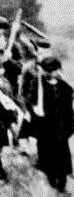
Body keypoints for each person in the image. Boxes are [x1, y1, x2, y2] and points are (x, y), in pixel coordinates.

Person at [30, 56, 73, 193]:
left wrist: (69, 127)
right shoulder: (39, 85)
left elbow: (69, 110)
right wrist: (34, 110)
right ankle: (51, 180)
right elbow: (32, 103)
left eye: (52, 71)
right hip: (46, 129)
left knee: (61, 158)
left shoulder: (65, 88)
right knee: (47, 157)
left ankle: (62, 184)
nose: (49, 74)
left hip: (61, 130)